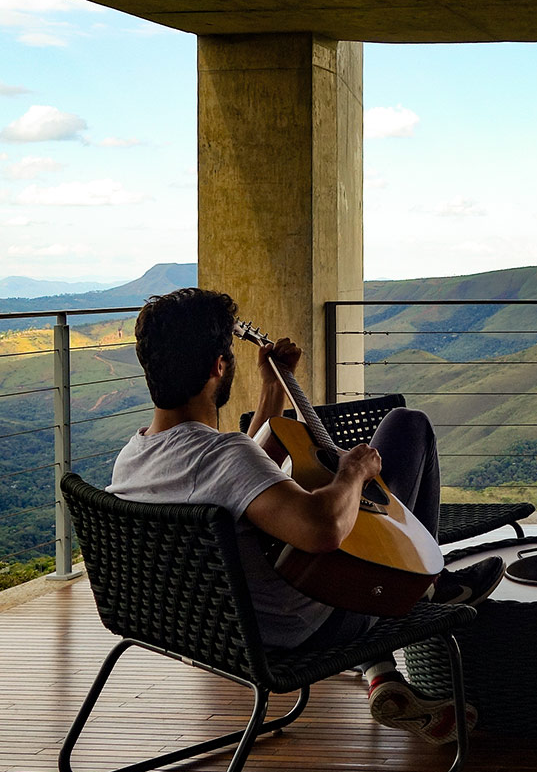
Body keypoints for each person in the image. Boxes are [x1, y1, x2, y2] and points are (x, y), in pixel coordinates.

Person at [107, 287, 502, 744]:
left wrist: (273, 387)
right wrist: (353, 472)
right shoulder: (221, 457)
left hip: (208, 632)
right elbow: (323, 529)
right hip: (301, 631)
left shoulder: (133, 458)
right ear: (219, 367)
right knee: (408, 425)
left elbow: (242, 471)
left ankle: (385, 665)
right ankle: (426, 587)